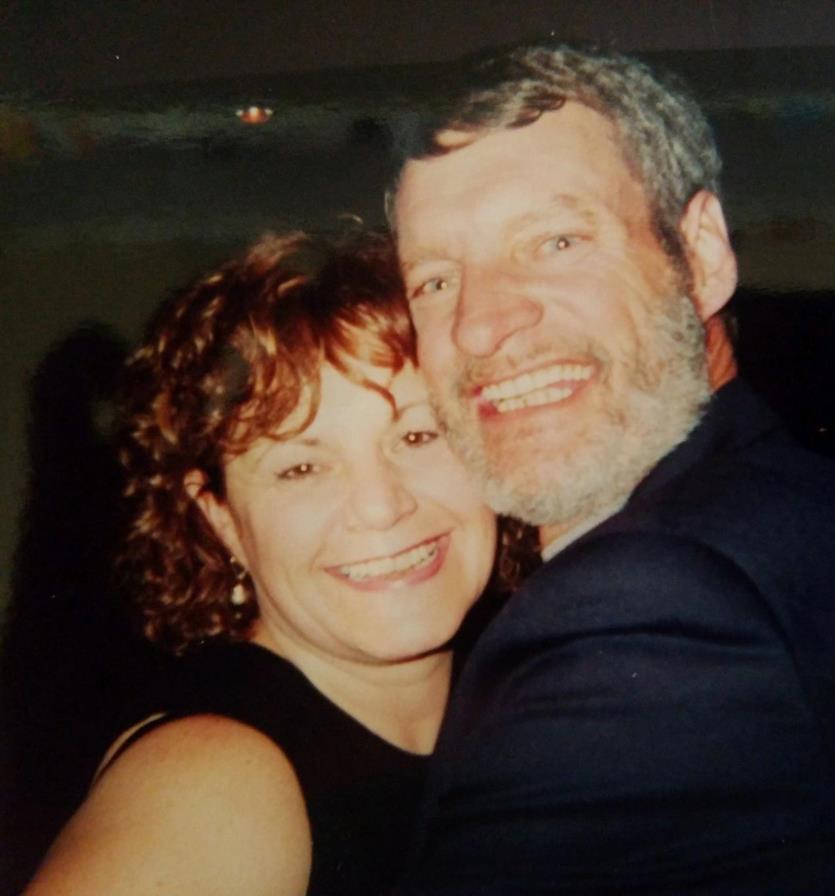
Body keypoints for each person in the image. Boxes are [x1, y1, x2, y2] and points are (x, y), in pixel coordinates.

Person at [390, 44, 835, 894]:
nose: (478, 324)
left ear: (701, 256)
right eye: (435, 281)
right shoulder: (789, 499)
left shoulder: (638, 608)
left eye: (554, 240)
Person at [22, 231, 505, 896]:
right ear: (220, 517)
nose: (381, 506)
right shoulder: (210, 779)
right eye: (301, 467)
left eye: (418, 435)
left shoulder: (524, 701)